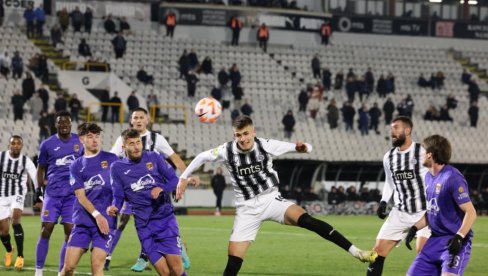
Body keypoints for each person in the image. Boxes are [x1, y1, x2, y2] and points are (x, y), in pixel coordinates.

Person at [176, 115, 377, 276]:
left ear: (253, 132)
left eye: (246, 133)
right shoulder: (226, 150)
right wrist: (184, 177)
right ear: (234, 135)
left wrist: (303, 147)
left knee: (308, 220)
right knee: (233, 263)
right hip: (247, 209)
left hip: (271, 199)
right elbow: (202, 156)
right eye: (238, 135)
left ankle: (356, 252)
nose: (243, 139)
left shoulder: (266, 145)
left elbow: (306, 147)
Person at [106, 108, 194, 272]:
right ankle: (115, 255)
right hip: (143, 225)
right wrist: (114, 206)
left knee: (176, 270)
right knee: (164, 272)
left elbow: (173, 179)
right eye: (131, 144)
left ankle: (179, 247)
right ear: (124, 146)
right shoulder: (117, 168)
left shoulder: (154, 156)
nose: (136, 146)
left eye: (138, 142)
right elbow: (118, 194)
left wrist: (163, 187)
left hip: (164, 220)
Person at [405, 135, 477, 276]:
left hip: (453, 242)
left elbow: (471, 212)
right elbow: (433, 210)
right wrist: (414, 228)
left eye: (423, 151)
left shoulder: (452, 177)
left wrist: (459, 237)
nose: (421, 154)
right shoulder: (428, 177)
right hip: (434, 241)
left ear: (430, 154)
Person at [367, 116, 430, 276]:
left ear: (407, 130)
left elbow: (437, 178)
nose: (392, 131)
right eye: (391, 128)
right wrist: (383, 201)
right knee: (376, 254)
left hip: (425, 212)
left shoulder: (422, 153)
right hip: (400, 213)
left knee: (423, 252)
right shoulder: (389, 157)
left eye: (396, 127)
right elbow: (390, 182)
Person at [60, 123, 118, 276]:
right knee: (69, 267)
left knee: (96, 265)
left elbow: (123, 186)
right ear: (81, 139)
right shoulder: (76, 165)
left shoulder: (112, 159)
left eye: (97, 136)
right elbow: (80, 196)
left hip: (106, 223)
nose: (94, 140)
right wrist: (96, 215)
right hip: (83, 221)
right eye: (90, 136)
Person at [35, 111, 84, 276]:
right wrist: (38, 191)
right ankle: (38, 270)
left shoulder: (80, 141)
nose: (63, 125)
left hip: (72, 196)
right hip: (53, 194)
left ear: (71, 124)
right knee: (46, 229)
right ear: (56, 125)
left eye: (66, 122)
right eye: (60, 123)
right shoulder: (47, 144)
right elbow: (41, 169)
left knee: (70, 232)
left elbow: (86, 165)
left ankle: (61, 270)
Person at [0, 135, 38, 270]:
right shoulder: (1, 157)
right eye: (13, 143)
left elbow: (35, 177)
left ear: (21, 146)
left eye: (18, 144)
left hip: (17, 194)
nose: (16, 145)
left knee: (16, 221)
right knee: (3, 231)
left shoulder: (26, 161)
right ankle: (10, 250)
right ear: (9, 145)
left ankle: (20, 256)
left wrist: (39, 195)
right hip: (2, 197)